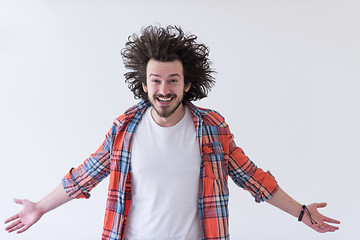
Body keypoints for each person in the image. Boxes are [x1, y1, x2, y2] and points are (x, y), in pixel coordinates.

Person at [4, 25, 340, 240]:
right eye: (156, 80)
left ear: (188, 84)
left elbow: (252, 177)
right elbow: (86, 175)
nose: (164, 89)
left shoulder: (212, 129)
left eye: (172, 80)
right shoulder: (125, 129)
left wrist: (300, 211)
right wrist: (40, 207)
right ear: (144, 84)